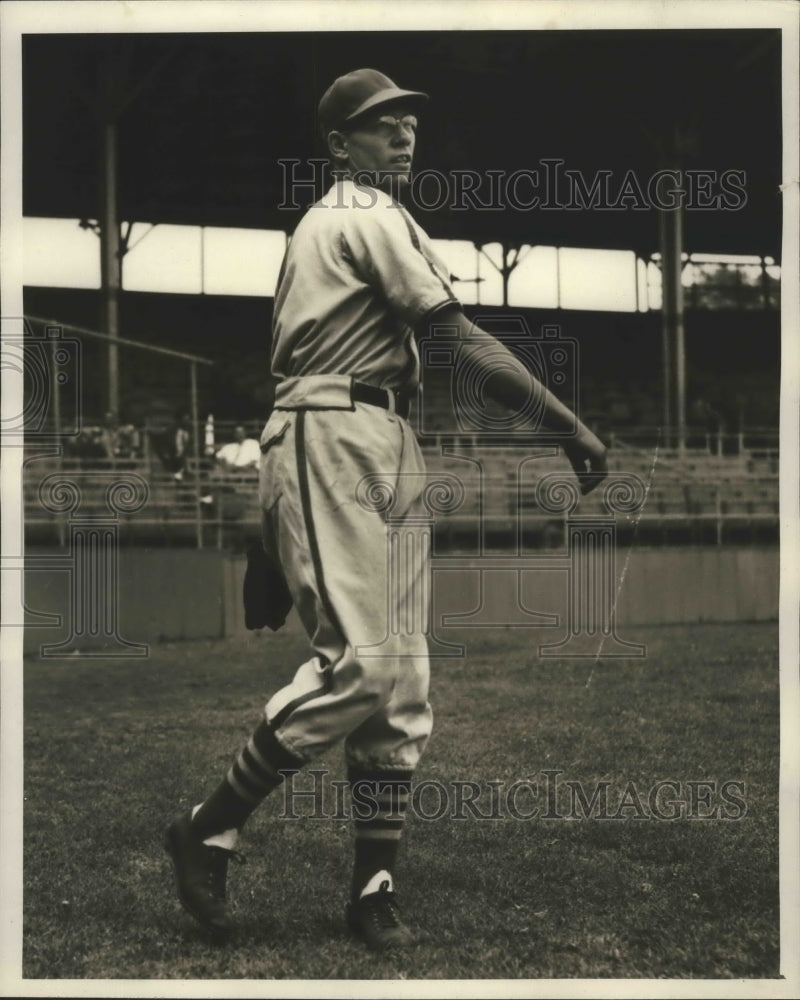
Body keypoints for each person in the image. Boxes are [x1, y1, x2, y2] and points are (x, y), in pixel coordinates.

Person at [164, 67, 608, 952]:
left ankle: (372, 888)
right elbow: (451, 340)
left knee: (402, 682)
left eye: (408, 120)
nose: (403, 132)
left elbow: (296, 367)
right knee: (365, 665)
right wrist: (568, 427)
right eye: (380, 123)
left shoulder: (333, 228)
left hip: (373, 433)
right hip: (338, 431)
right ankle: (205, 828)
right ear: (339, 145)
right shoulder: (356, 211)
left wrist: (270, 534)